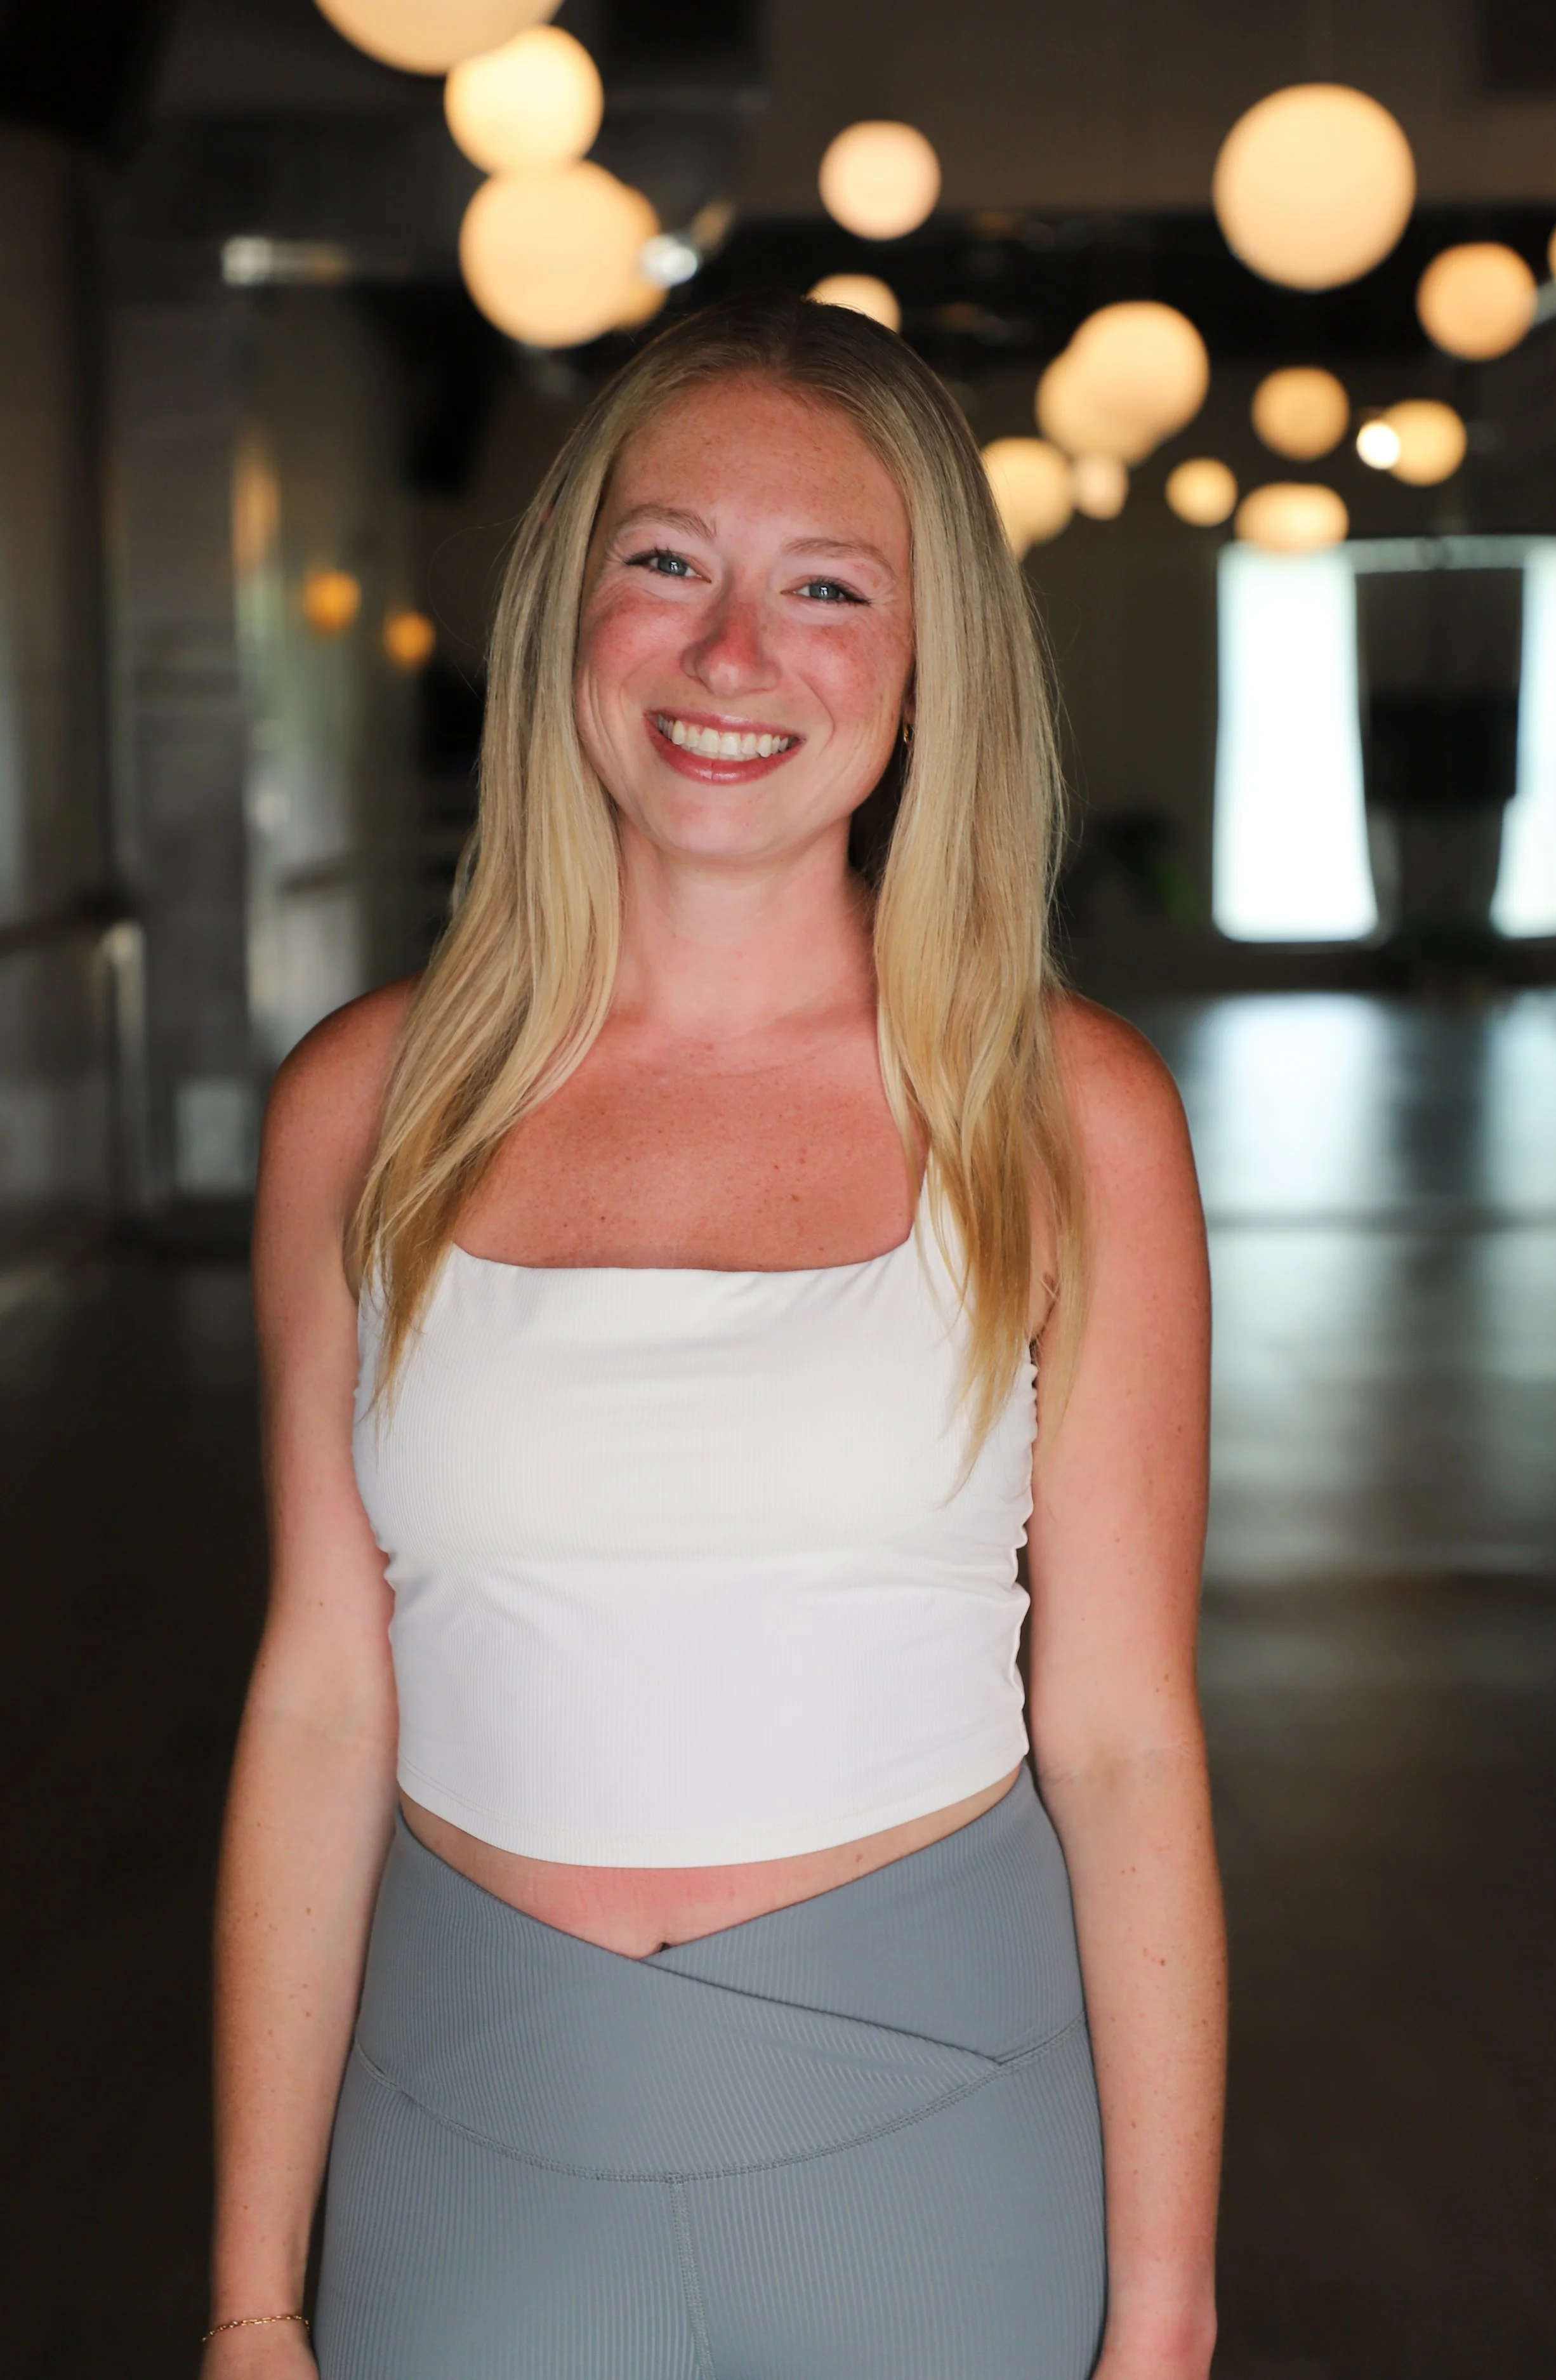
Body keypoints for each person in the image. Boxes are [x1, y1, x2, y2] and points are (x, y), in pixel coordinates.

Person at [205, 291, 1223, 2380]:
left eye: (825, 587)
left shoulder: (1063, 1113)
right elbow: (321, 1699)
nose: (732, 655)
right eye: (666, 561)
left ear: (926, 658)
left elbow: (1119, 1737)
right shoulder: (364, 1108)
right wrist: (250, 2294)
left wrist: (1164, 2311)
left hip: (935, 2128)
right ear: (568, 607)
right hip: (467, 2132)